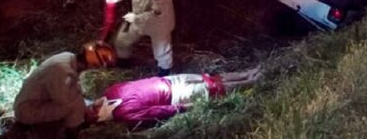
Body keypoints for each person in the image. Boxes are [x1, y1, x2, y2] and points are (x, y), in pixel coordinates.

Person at [86, 67, 262, 124]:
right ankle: (250, 76)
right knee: (211, 83)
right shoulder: (114, 95)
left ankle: (250, 78)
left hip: (173, 90)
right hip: (169, 85)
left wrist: (184, 108)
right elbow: (155, 110)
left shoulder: (119, 106)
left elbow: (157, 111)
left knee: (212, 85)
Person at [13, 41, 116, 136]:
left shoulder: (69, 57)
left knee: (80, 102)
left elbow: (72, 89)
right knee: (75, 107)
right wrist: (85, 111)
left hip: (39, 100)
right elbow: (65, 100)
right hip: (28, 110)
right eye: (102, 60)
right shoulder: (61, 69)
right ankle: (72, 133)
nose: (102, 65)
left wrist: (86, 104)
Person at [107, 0, 175, 76]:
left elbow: (158, 12)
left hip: (159, 23)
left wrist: (136, 18)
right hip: (138, 18)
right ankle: (123, 67)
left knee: (162, 52)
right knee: (122, 41)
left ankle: (164, 76)